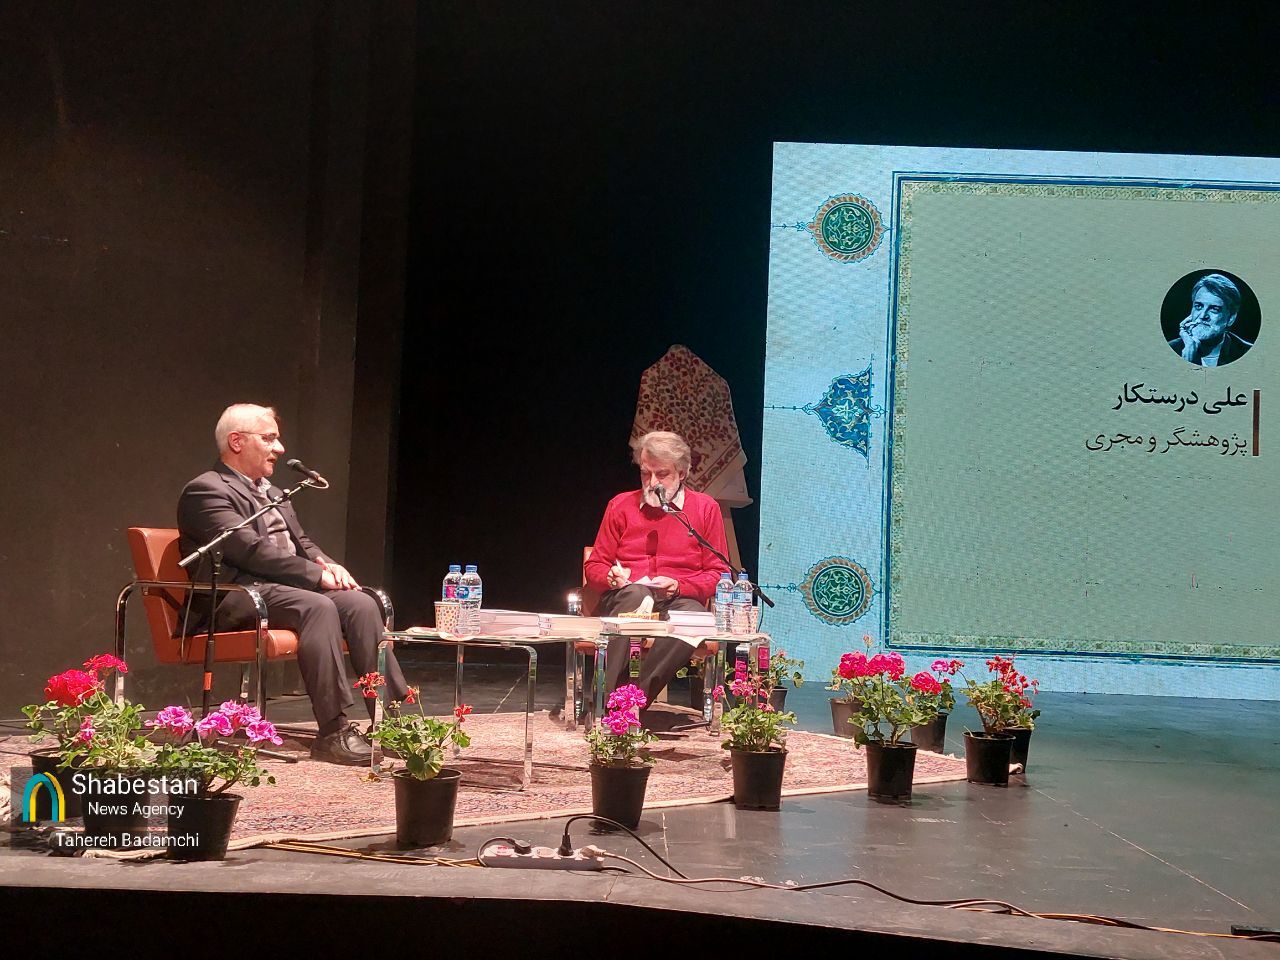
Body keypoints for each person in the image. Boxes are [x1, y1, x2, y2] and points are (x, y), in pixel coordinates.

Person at [177, 403, 408, 765]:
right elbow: (248, 550)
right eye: (269, 438)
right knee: (318, 606)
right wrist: (315, 576)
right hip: (238, 595)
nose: (280, 448)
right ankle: (333, 730)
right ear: (236, 441)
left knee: (362, 603)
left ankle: (391, 722)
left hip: (286, 590)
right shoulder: (206, 490)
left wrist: (328, 565)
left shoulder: (272, 492)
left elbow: (302, 543)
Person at [584, 431, 731, 714]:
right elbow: (595, 566)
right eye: (645, 474)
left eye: (662, 474)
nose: (652, 483)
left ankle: (628, 705)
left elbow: (718, 573)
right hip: (626, 598)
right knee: (636, 594)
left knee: (696, 618)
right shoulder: (620, 505)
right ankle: (602, 703)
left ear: (682, 473)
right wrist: (610, 577)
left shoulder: (705, 509)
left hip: (677, 599)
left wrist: (679, 585)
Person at [1168, 273, 1253, 367]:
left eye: (1214, 309)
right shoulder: (1169, 349)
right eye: (1198, 306)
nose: (1203, 315)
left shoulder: (1247, 353)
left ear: (1231, 318)